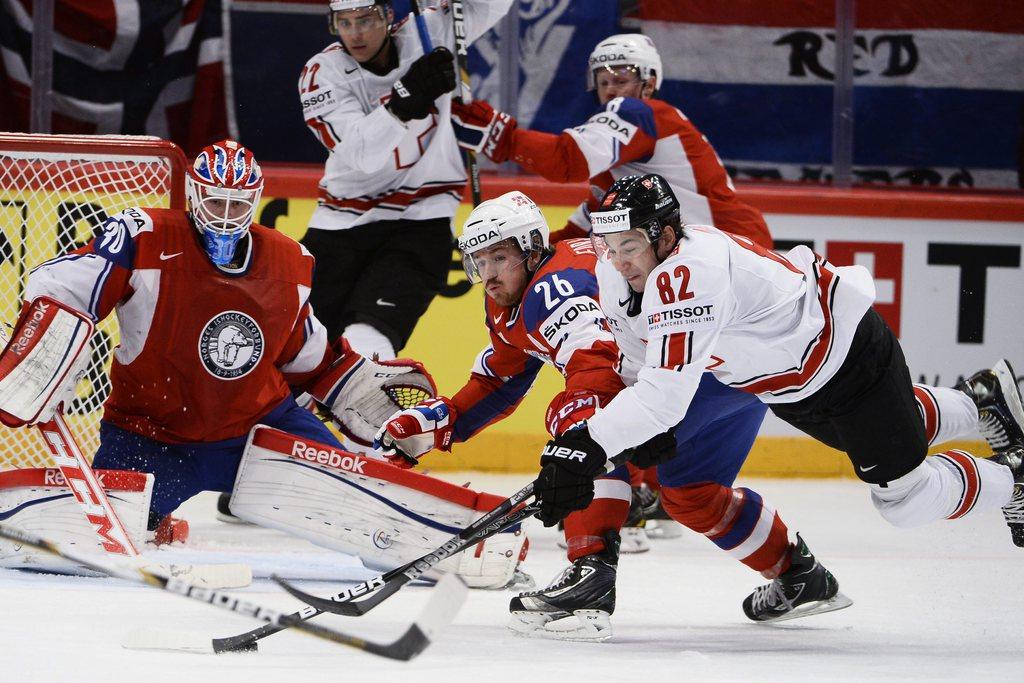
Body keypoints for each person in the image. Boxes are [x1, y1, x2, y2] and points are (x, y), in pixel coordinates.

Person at [0, 140, 527, 588]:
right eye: (214, 202)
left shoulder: (288, 259)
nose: (225, 217)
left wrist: (357, 391)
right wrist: (47, 337)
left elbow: (306, 357)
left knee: (367, 504)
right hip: (151, 433)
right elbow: (63, 280)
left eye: (237, 205)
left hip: (259, 427)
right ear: (192, 196)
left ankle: (469, 551)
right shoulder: (141, 236)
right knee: (79, 539)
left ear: (253, 202)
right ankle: (158, 520)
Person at [533, 172, 1024, 621]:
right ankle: (982, 401)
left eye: (630, 245)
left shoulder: (692, 270)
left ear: (664, 235)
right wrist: (615, 437)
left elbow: (666, 394)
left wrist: (585, 444)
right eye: (608, 244)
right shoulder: (616, 272)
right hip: (783, 383)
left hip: (845, 359)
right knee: (894, 429)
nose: (617, 259)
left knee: (905, 498)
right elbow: (640, 363)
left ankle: (1013, 479)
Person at [374, 191, 845, 637]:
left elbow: (597, 370)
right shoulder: (513, 299)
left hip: (697, 375)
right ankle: (800, 575)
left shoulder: (555, 289)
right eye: (480, 262)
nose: (490, 273)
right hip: (736, 377)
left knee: (579, 424)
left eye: (500, 257)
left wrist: (579, 446)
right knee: (691, 495)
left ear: (533, 248)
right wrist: (445, 421)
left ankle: (590, 571)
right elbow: (503, 376)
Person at [298, 0, 513, 364]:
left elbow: (496, 5)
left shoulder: (429, 33)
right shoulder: (322, 73)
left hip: (422, 218)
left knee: (366, 339)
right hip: (341, 224)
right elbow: (360, 154)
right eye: (344, 23)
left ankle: (366, 414)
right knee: (300, 345)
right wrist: (403, 100)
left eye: (365, 19)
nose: (356, 32)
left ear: (387, 16)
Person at [450, 33, 769, 247]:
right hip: (716, 248)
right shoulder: (616, 156)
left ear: (649, 82)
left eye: (622, 79)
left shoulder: (640, 113)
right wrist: (526, 254)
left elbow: (566, 161)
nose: (612, 89)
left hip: (728, 247)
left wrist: (496, 134)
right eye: (604, 81)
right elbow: (584, 232)